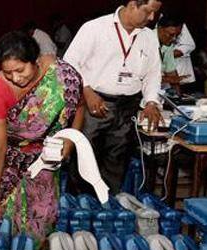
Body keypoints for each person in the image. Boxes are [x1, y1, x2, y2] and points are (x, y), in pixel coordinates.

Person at [0, 31, 84, 250]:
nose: (15, 78)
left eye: (20, 70)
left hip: (44, 162)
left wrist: (69, 142)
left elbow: (79, 106)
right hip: (8, 164)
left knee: (41, 220)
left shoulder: (61, 76)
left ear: (34, 61)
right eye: (8, 72)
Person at [64, 0, 163, 194]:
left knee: (116, 163)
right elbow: (69, 65)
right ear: (133, 4)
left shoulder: (149, 37)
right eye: (149, 12)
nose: (152, 18)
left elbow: (153, 73)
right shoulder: (94, 28)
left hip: (128, 107)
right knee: (85, 159)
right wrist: (86, 90)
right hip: (95, 105)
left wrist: (151, 101)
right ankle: (80, 211)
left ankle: (107, 212)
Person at [156, 15, 184, 92]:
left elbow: (171, 72)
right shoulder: (145, 41)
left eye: (177, 36)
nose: (174, 39)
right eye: (171, 34)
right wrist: (166, 79)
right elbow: (140, 75)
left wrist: (178, 97)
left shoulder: (168, 45)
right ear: (160, 29)